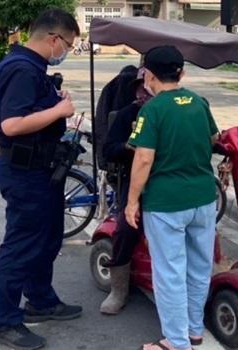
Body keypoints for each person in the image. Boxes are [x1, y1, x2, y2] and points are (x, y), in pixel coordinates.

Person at [0, 9, 81, 350]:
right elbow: (11, 124)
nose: (68, 50)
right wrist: (58, 112)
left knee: (49, 236)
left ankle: (40, 299)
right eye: (68, 43)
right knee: (22, 243)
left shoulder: (28, 67)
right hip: (24, 171)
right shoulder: (22, 70)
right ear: (54, 39)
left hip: (41, 168)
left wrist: (55, 107)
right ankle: (5, 321)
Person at [125, 46, 219, 350]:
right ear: (181, 73)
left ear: (148, 75)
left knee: (169, 273)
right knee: (199, 267)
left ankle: (176, 343)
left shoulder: (151, 110)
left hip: (166, 204)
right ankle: (194, 330)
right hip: (204, 199)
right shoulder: (198, 103)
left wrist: (131, 201)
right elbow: (213, 139)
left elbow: (142, 159)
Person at [99, 68, 153, 315]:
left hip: (170, 181)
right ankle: (118, 289)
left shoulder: (173, 110)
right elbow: (109, 149)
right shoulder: (127, 114)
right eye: (141, 85)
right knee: (126, 227)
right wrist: (129, 146)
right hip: (134, 182)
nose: (146, 90)